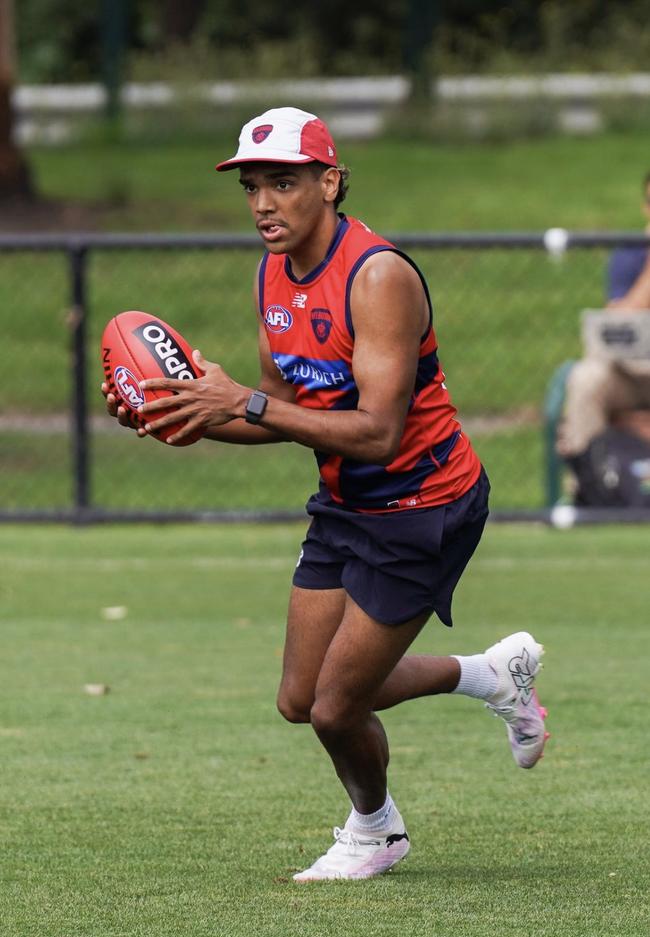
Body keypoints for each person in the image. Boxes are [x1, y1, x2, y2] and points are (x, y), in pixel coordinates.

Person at [102, 107, 548, 882]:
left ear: (330, 182)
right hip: (346, 504)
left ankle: (375, 832)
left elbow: (376, 429)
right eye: (252, 186)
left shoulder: (379, 278)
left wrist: (239, 402)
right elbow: (284, 409)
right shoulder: (272, 272)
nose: (264, 204)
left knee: (339, 707)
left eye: (283, 182)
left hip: (424, 505)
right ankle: (488, 674)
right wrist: (182, 415)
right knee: (301, 696)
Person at [557, 172, 650, 467]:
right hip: (633, 371)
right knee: (586, 379)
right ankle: (589, 488)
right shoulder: (630, 253)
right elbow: (617, 324)